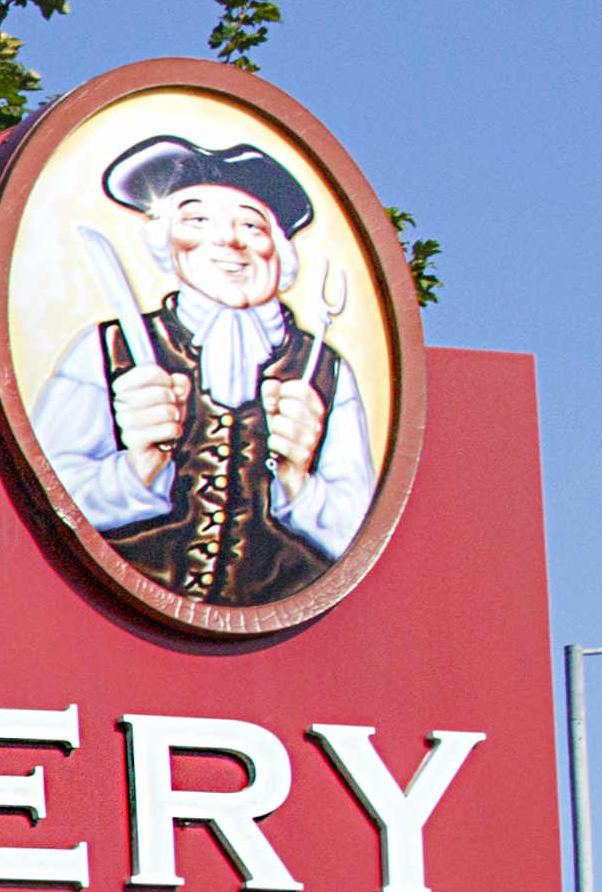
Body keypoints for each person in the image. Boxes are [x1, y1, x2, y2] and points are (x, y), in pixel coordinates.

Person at [28, 132, 377, 604]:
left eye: (252, 226)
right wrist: (137, 465)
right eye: (197, 219)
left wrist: (298, 476)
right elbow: (38, 499)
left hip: (280, 638)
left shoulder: (328, 374)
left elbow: (360, 539)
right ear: (167, 243)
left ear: (281, 249)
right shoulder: (104, 351)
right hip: (107, 613)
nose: (229, 239)